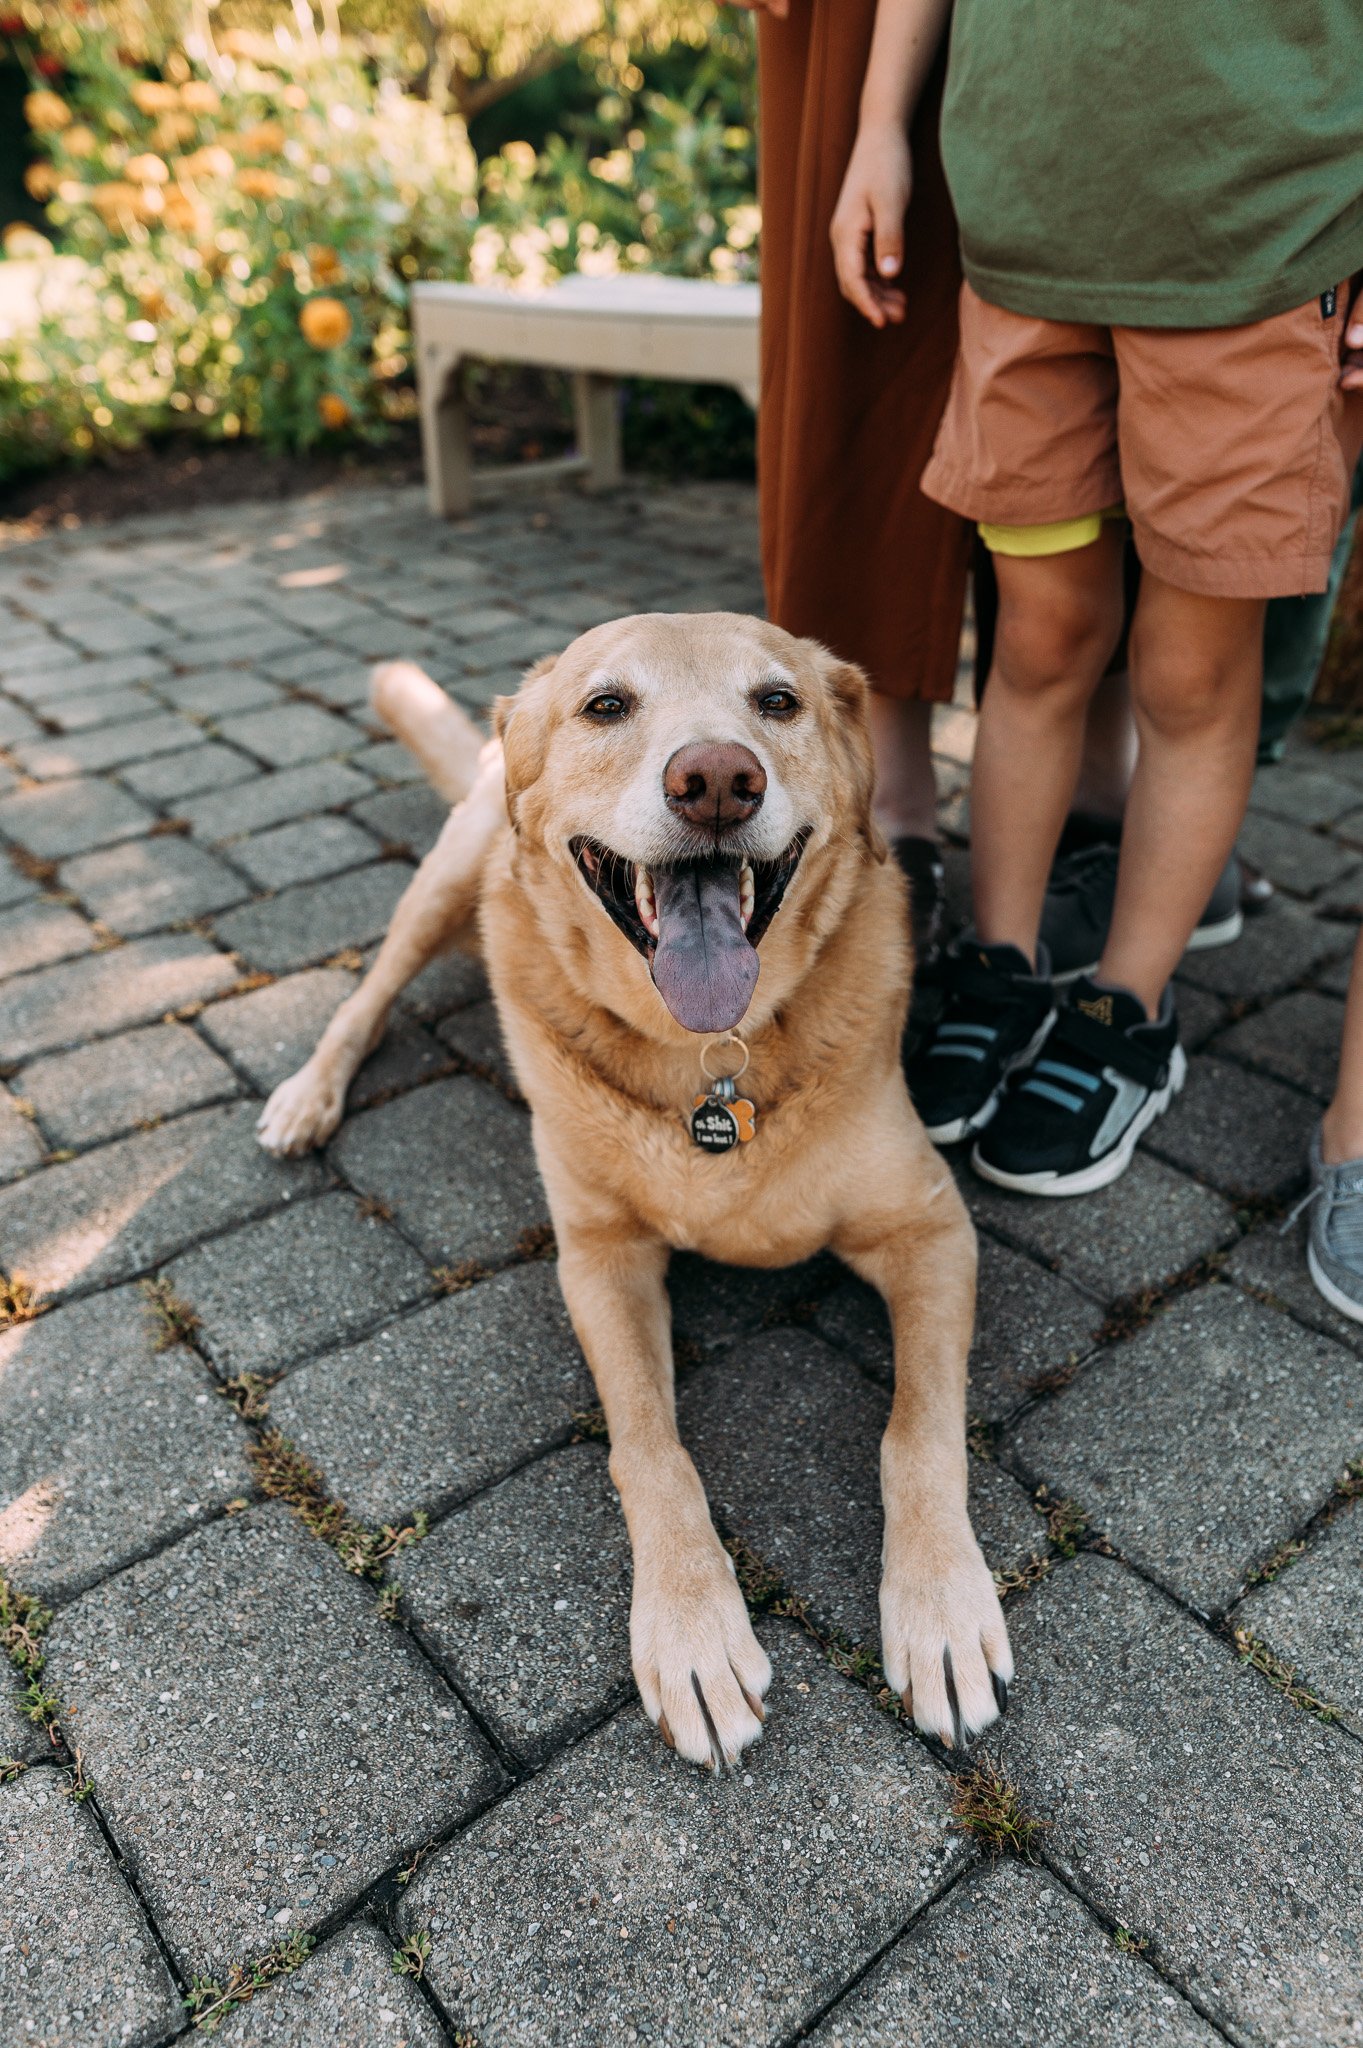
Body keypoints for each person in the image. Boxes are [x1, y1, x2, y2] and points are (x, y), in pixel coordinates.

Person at [833, 0, 1363, 1196]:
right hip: (1025, 240)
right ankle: (1003, 958)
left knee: (1190, 669)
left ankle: (1128, 1003)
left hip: (1259, 244)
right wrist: (878, 128)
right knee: (1041, 635)